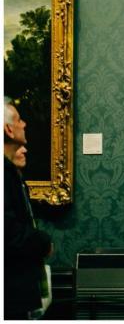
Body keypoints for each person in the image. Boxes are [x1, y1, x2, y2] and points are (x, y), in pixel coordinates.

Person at [5, 97, 52, 320]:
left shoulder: (10, 173)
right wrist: (43, 241)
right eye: (19, 120)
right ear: (8, 129)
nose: (24, 124)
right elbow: (8, 230)